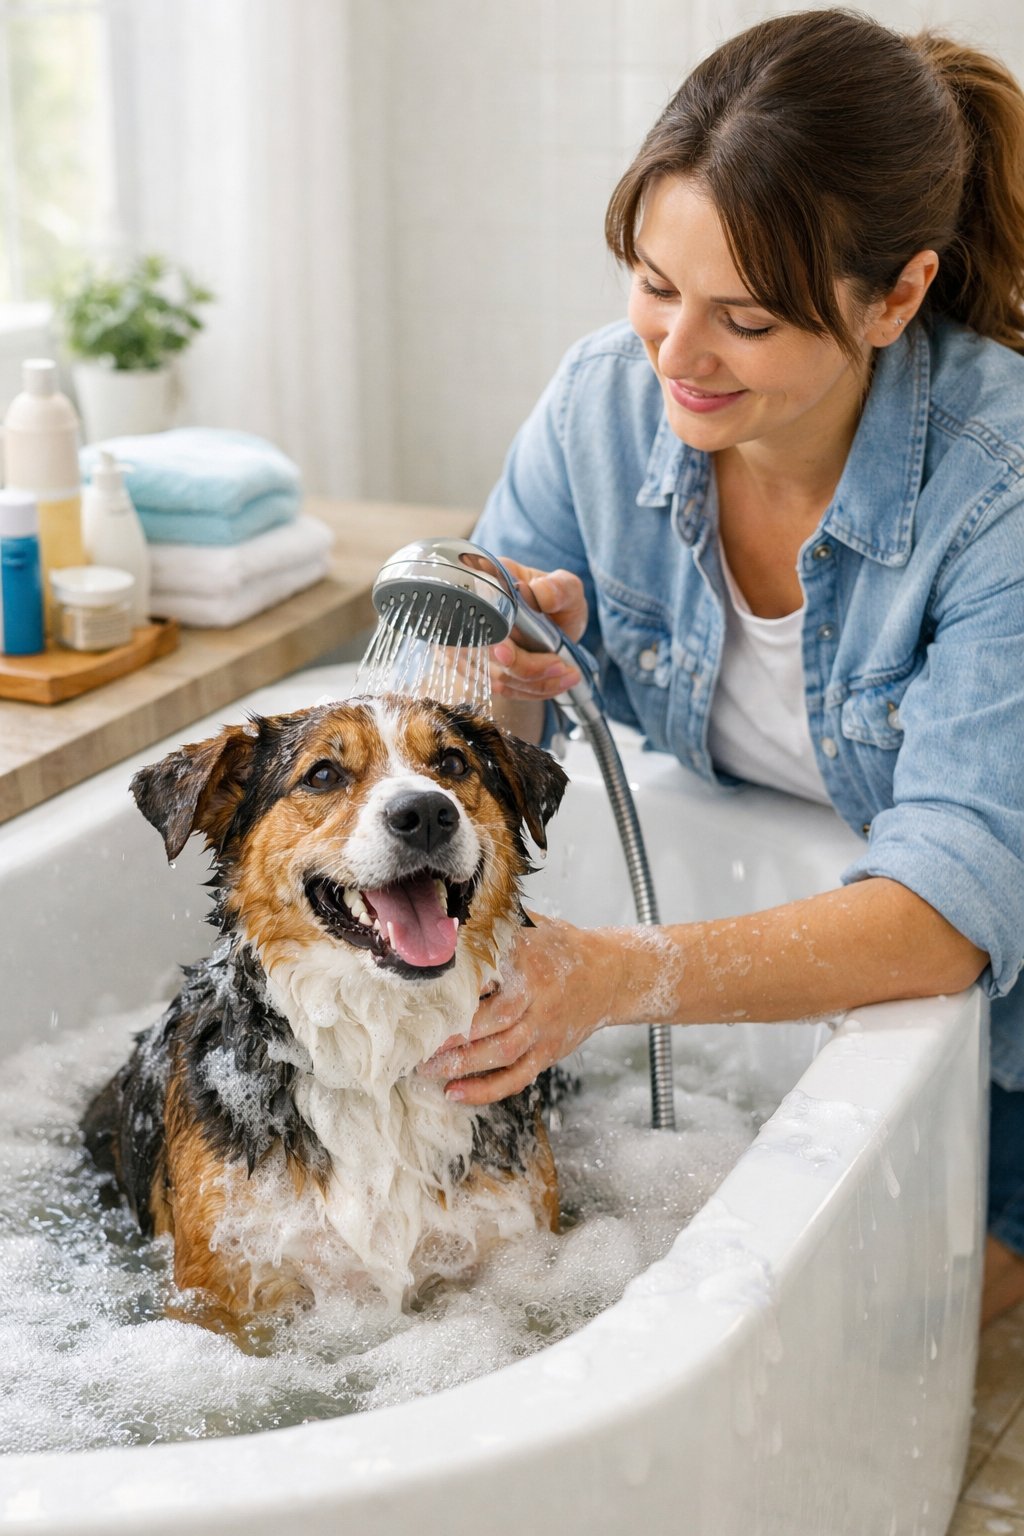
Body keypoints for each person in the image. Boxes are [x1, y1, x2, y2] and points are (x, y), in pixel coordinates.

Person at [418, 9, 1024, 1325]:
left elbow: (948, 914)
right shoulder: (600, 405)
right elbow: (472, 759)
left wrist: (618, 974)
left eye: (743, 319)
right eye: (653, 283)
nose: (675, 359)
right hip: (799, 903)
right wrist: (512, 676)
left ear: (898, 297)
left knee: (863, 1323)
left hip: (1001, 1029)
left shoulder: (1003, 492)